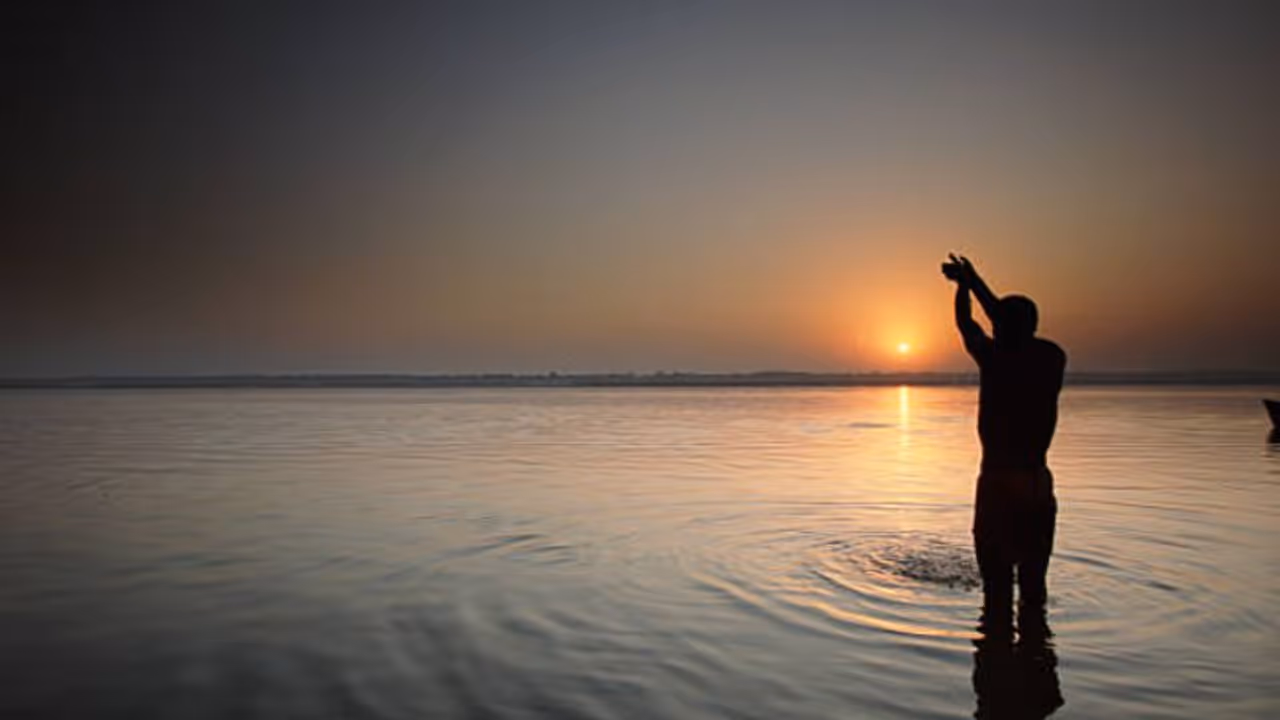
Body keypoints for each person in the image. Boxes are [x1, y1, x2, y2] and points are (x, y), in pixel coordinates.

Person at [942, 254, 1066, 637]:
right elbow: (1001, 319)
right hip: (1036, 483)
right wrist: (974, 281)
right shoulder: (1050, 357)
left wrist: (965, 286)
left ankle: (998, 684)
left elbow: (968, 323)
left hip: (997, 482)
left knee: (996, 592)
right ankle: (1036, 673)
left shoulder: (994, 358)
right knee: (1033, 589)